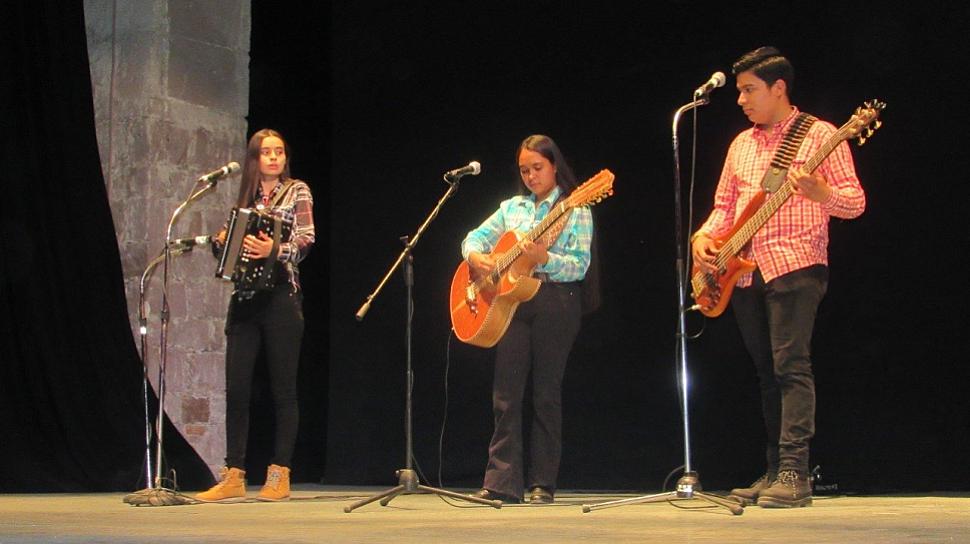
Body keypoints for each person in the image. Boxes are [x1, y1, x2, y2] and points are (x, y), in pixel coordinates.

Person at [691, 47, 866, 508]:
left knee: (791, 367)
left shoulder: (820, 134)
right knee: (767, 373)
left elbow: (854, 201)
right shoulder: (741, 145)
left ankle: (795, 472)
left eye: (749, 90)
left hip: (796, 263)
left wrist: (821, 193)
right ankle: (773, 471)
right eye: (740, 90)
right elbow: (725, 207)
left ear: (779, 88)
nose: (741, 100)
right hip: (745, 273)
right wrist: (703, 238)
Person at [462, 134, 597, 504]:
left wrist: (544, 259)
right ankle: (501, 482)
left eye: (537, 168)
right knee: (505, 393)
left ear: (555, 166)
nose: (531, 176)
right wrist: (477, 257)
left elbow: (579, 265)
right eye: (525, 170)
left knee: (545, 393)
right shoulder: (512, 208)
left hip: (557, 300)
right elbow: (473, 238)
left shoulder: (575, 208)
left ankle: (542, 482)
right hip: (515, 303)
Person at [196, 128, 315, 502]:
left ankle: (280, 473)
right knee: (237, 388)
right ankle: (234, 474)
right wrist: (221, 244)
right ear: (254, 158)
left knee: (283, 389)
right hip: (245, 298)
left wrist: (274, 249)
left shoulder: (297, 191)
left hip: (281, 296)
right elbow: (231, 254)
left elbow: (306, 239)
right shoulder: (244, 200)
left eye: (279, 151)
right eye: (266, 152)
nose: (274, 157)